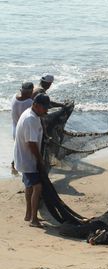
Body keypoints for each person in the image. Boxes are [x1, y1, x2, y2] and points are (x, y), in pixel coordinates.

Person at [13, 93, 51, 228]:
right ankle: (34, 220)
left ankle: (28, 214)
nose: (46, 111)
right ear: (35, 105)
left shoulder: (30, 113)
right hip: (28, 160)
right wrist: (40, 160)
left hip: (22, 157)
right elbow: (31, 143)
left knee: (29, 187)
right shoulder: (31, 119)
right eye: (44, 108)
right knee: (37, 187)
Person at [10, 82, 34, 175]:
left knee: (18, 148)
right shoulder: (30, 103)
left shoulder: (14, 97)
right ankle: (25, 172)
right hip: (23, 131)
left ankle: (13, 165)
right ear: (30, 92)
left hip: (14, 128)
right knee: (25, 152)